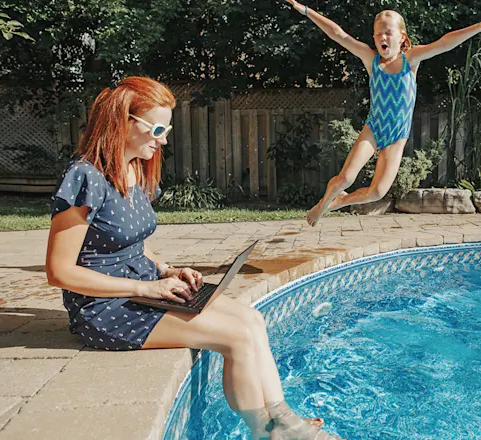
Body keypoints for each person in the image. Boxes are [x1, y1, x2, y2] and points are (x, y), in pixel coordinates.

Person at [45, 76, 339, 440]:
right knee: (236, 339)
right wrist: (147, 287)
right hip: (105, 309)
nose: (163, 139)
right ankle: (265, 432)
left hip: (144, 288)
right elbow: (59, 272)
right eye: (156, 128)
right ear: (123, 120)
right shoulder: (85, 177)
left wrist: (166, 269)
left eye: (166, 129)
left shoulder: (136, 169)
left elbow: (130, 243)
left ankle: (283, 417)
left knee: (252, 320)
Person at [284, 3, 481, 226]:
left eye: (388, 32)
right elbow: (338, 34)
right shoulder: (371, 60)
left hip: (397, 137)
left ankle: (340, 201)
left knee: (377, 192)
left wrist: (480, 27)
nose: (382, 37)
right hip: (374, 128)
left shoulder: (411, 59)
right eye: (378, 34)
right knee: (345, 178)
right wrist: (305, 10)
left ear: (402, 37)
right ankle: (324, 205)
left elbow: (445, 42)